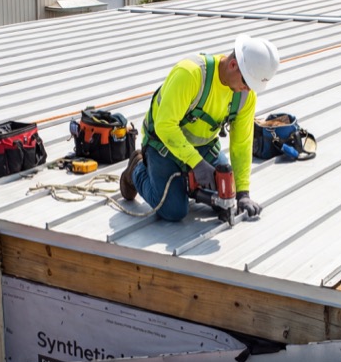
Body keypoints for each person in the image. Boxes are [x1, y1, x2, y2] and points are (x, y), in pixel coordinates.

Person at [120, 35, 279, 222]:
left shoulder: (245, 96)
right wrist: (196, 164)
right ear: (233, 65)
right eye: (246, 83)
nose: (248, 90)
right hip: (162, 144)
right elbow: (165, 126)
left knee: (224, 197)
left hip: (203, 147)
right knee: (173, 211)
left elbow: (242, 144)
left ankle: (186, 184)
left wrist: (242, 193)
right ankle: (136, 169)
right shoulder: (191, 74)